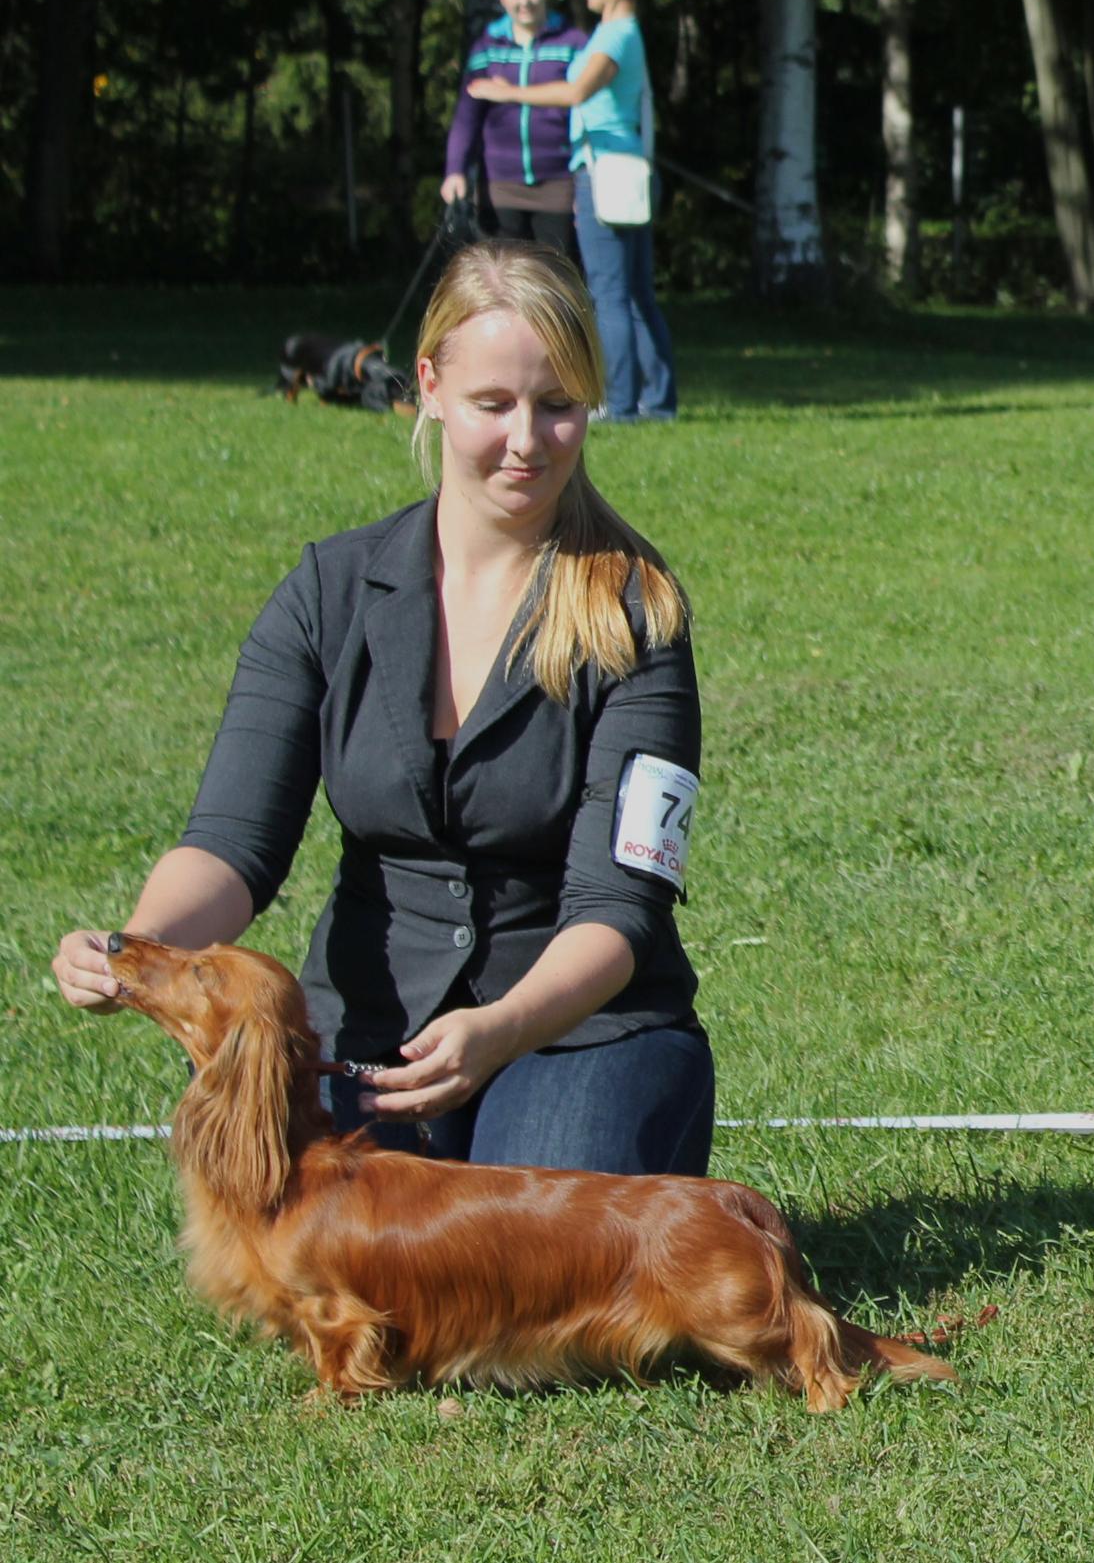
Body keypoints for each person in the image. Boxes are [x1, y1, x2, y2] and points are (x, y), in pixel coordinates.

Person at [52, 241, 712, 1174]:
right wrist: (136, 950)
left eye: (559, 404)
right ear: (431, 386)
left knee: (518, 1263)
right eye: (494, 404)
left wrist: (499, 1027)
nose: (528, 439)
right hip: (364, 1030)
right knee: (317, 1249)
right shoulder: (328, 592)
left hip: (581, 1029)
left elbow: (621, 905)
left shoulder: (638, 615)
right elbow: (232, 844)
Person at [468, 0, 676, 422]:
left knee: (610, 292)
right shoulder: (618, 32)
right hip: (626, 170)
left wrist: (507, 92)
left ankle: (620, 403)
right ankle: (658, 401)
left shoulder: (615, 36)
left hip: (605, 172)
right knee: (636, 293)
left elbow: (577, 91)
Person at [441, 0, 589, 258]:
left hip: (559, 183)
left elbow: (588, 111)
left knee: (553, 274)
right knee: (505, 274)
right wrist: (455, 170)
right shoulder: (487, 48)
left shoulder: (573, 42)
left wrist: (585, 182)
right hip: (499, 185)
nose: (525, 2)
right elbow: (467, 118)